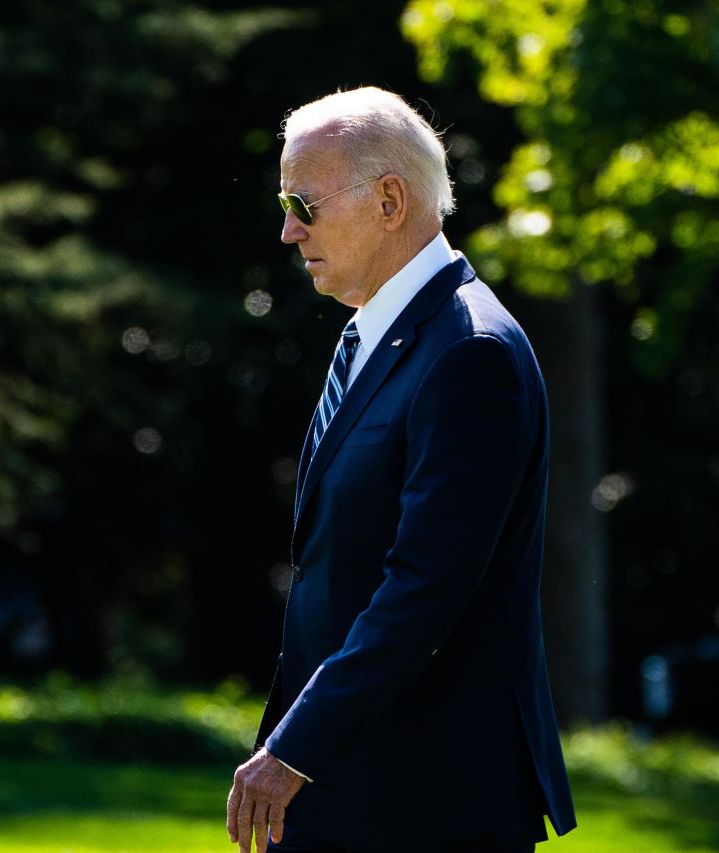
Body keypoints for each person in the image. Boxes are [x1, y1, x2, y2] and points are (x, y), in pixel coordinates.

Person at [226, 87, 576, 853]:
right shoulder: (374, 334)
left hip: (427, 800)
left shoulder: (469, 353)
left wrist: (294, 747)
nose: (287, 231)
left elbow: (424, 588)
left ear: (389, 199)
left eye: (302, 204)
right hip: (358, 787)